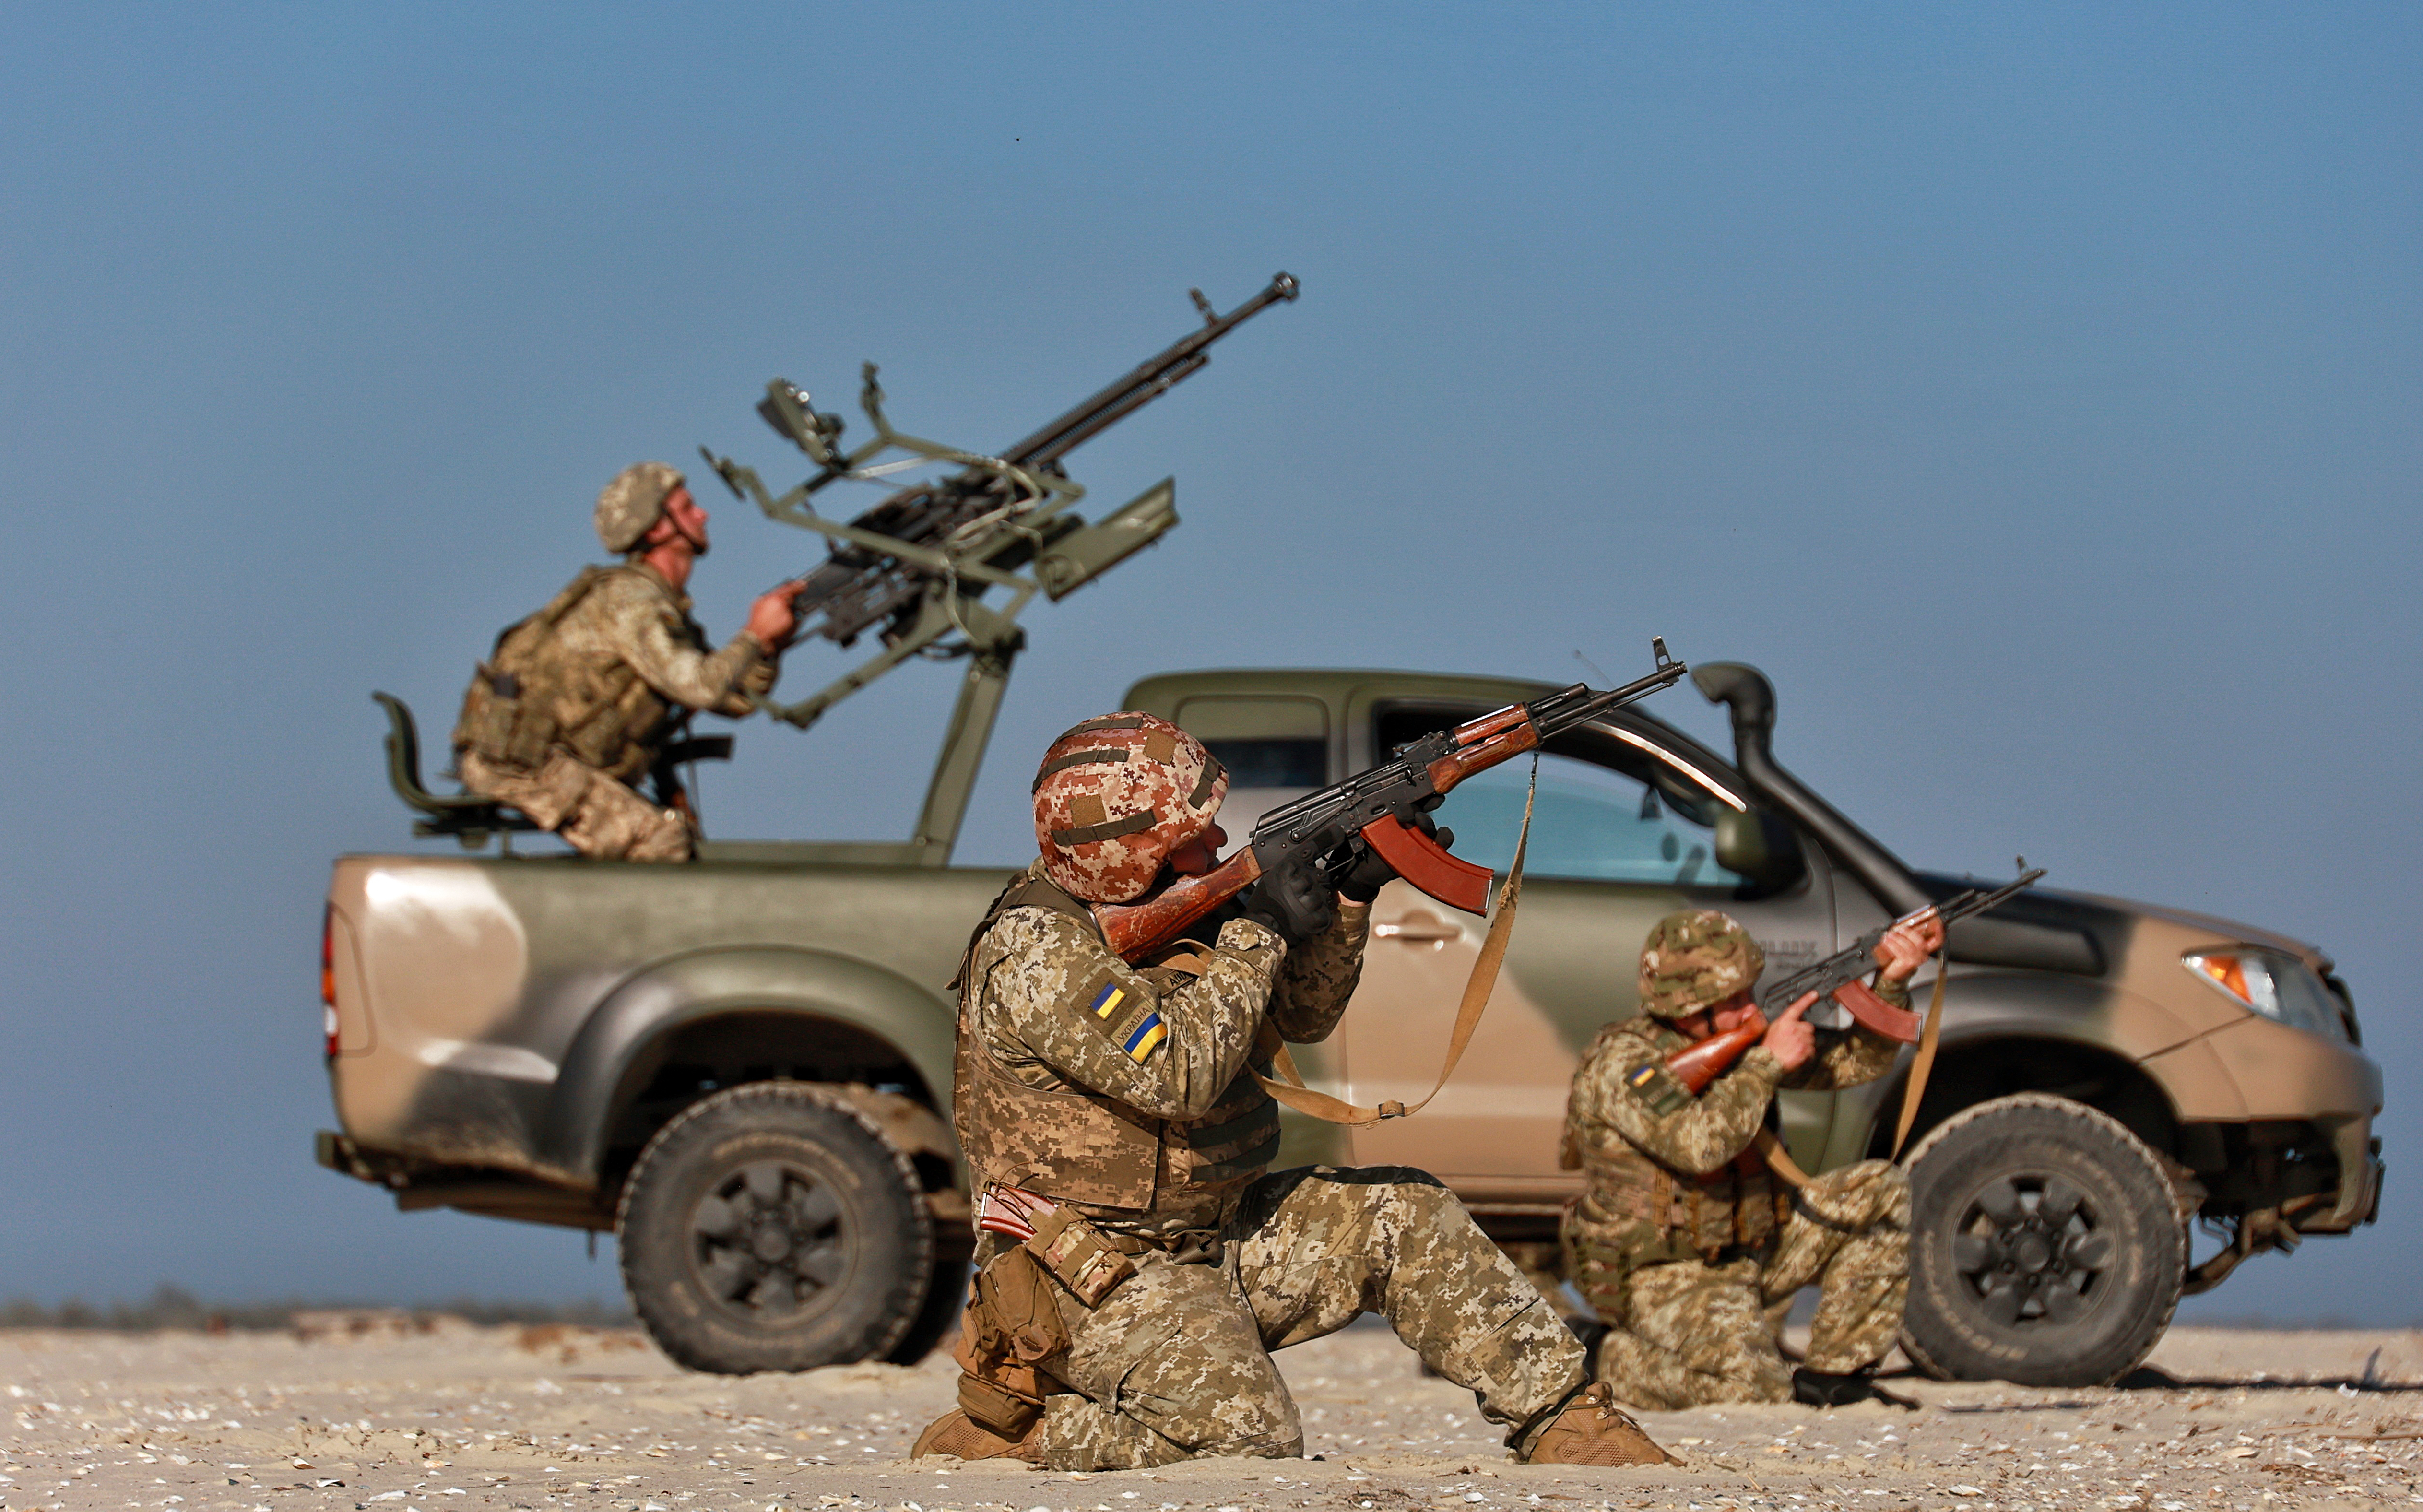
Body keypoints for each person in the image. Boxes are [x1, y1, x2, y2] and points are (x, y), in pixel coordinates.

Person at [911, 712, 1671, 1470]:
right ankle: (1021, 1439)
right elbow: (1182, 1072)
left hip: (1217, 1235)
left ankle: (1567, 1423)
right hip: (1092, 1275)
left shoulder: (1176, 908)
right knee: (1249, 1440)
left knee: (1404, 1213)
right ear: (1125, 851)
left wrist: (1348, 901)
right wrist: (1262, 926)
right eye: (1191, 836)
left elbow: (1302, 1019)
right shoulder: (1038, 952)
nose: (1216, 844)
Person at [1559, 905, 1945, 1410]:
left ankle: (1835, 1374)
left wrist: (1892, 981)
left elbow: (1857, 1061)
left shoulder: (1742, 1044)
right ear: (1688, 1002)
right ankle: (1601, 1352)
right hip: (1662, 1272)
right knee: (1752, 1389)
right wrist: (1766, 1063)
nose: (1749, 1009)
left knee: (1878, 1189)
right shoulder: (1623, 1063)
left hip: (1756, 1249)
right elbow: (1699, 1145)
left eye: (1748, 991)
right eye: (1731, 998)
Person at [451, 461, 800, 862]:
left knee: (665, 838)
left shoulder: (659, 606)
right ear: (657, 528)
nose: (703, 515)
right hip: (523, 763)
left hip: (544, 761)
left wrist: (768, 648)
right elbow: (701, 687)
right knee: (661, 844)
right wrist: (753, 635)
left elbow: (735, 700)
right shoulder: (630, 603)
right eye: (687, 508)